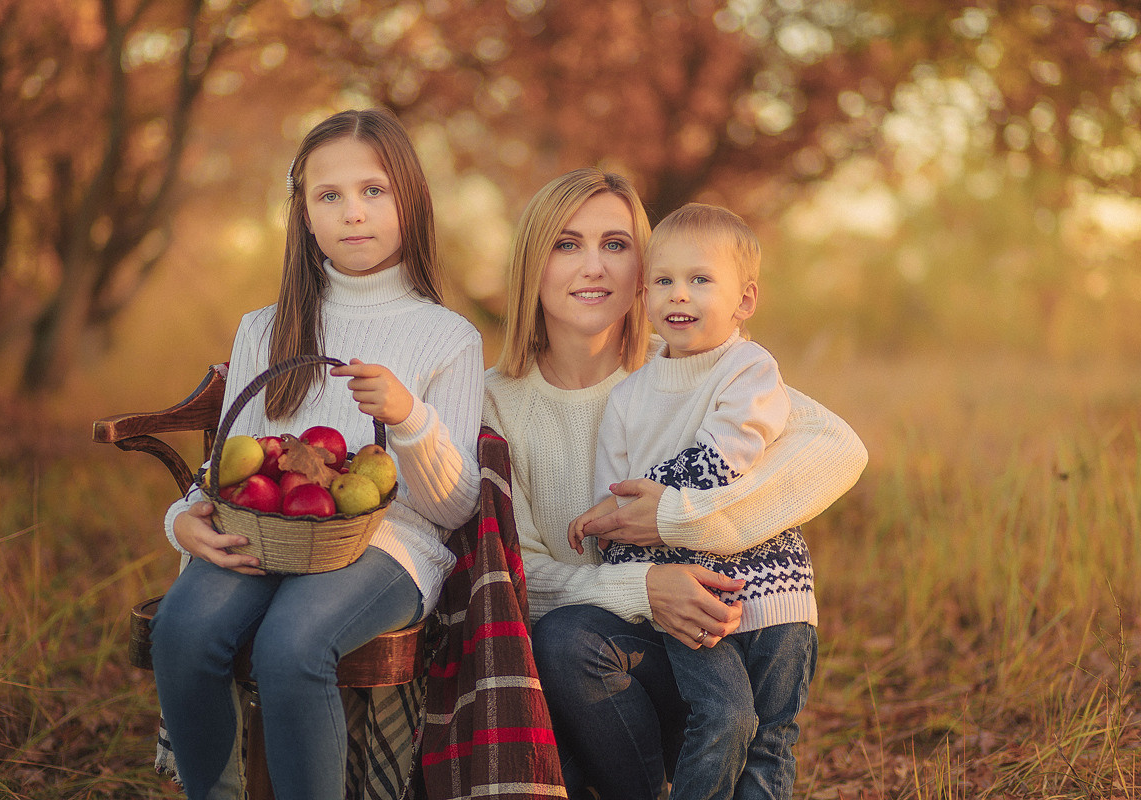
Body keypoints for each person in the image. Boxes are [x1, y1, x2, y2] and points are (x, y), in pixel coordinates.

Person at [482, 168, 867, 800]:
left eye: (615, 245)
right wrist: (645, 586)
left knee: (744, 729)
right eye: (566, 244)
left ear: (643, 267)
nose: (593, 267)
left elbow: (838, 450)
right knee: (565, 641)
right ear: (532, 262)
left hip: (712, 645)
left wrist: (681, 518)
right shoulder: (492, 401)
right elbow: (516, 573)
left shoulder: (688, 364)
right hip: (587, 676)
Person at [149, 108, 483, 800]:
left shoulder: (446, 337)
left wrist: (409, 418)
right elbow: (233, 468)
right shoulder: (265, 328)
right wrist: (184, 516)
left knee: (293, 644)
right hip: (268, 532)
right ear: (303, 214)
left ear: (409, 201)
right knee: (184, 630)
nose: (352, 213)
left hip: (391, 545)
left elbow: (454, 506)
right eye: (329, 196)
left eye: (373, 191)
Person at [570, 202, 815, 799]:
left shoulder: (750, 369)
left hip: (774, 590)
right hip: (688, 600)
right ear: (644, 294)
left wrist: (655, 505)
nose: (679, 296)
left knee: (771, 735)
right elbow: (619, 499)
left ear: (745, 301)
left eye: (701, 280)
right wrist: (609, 520)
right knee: (724, 716)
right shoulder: (629, 399)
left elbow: (729, 454)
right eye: (663, 281)